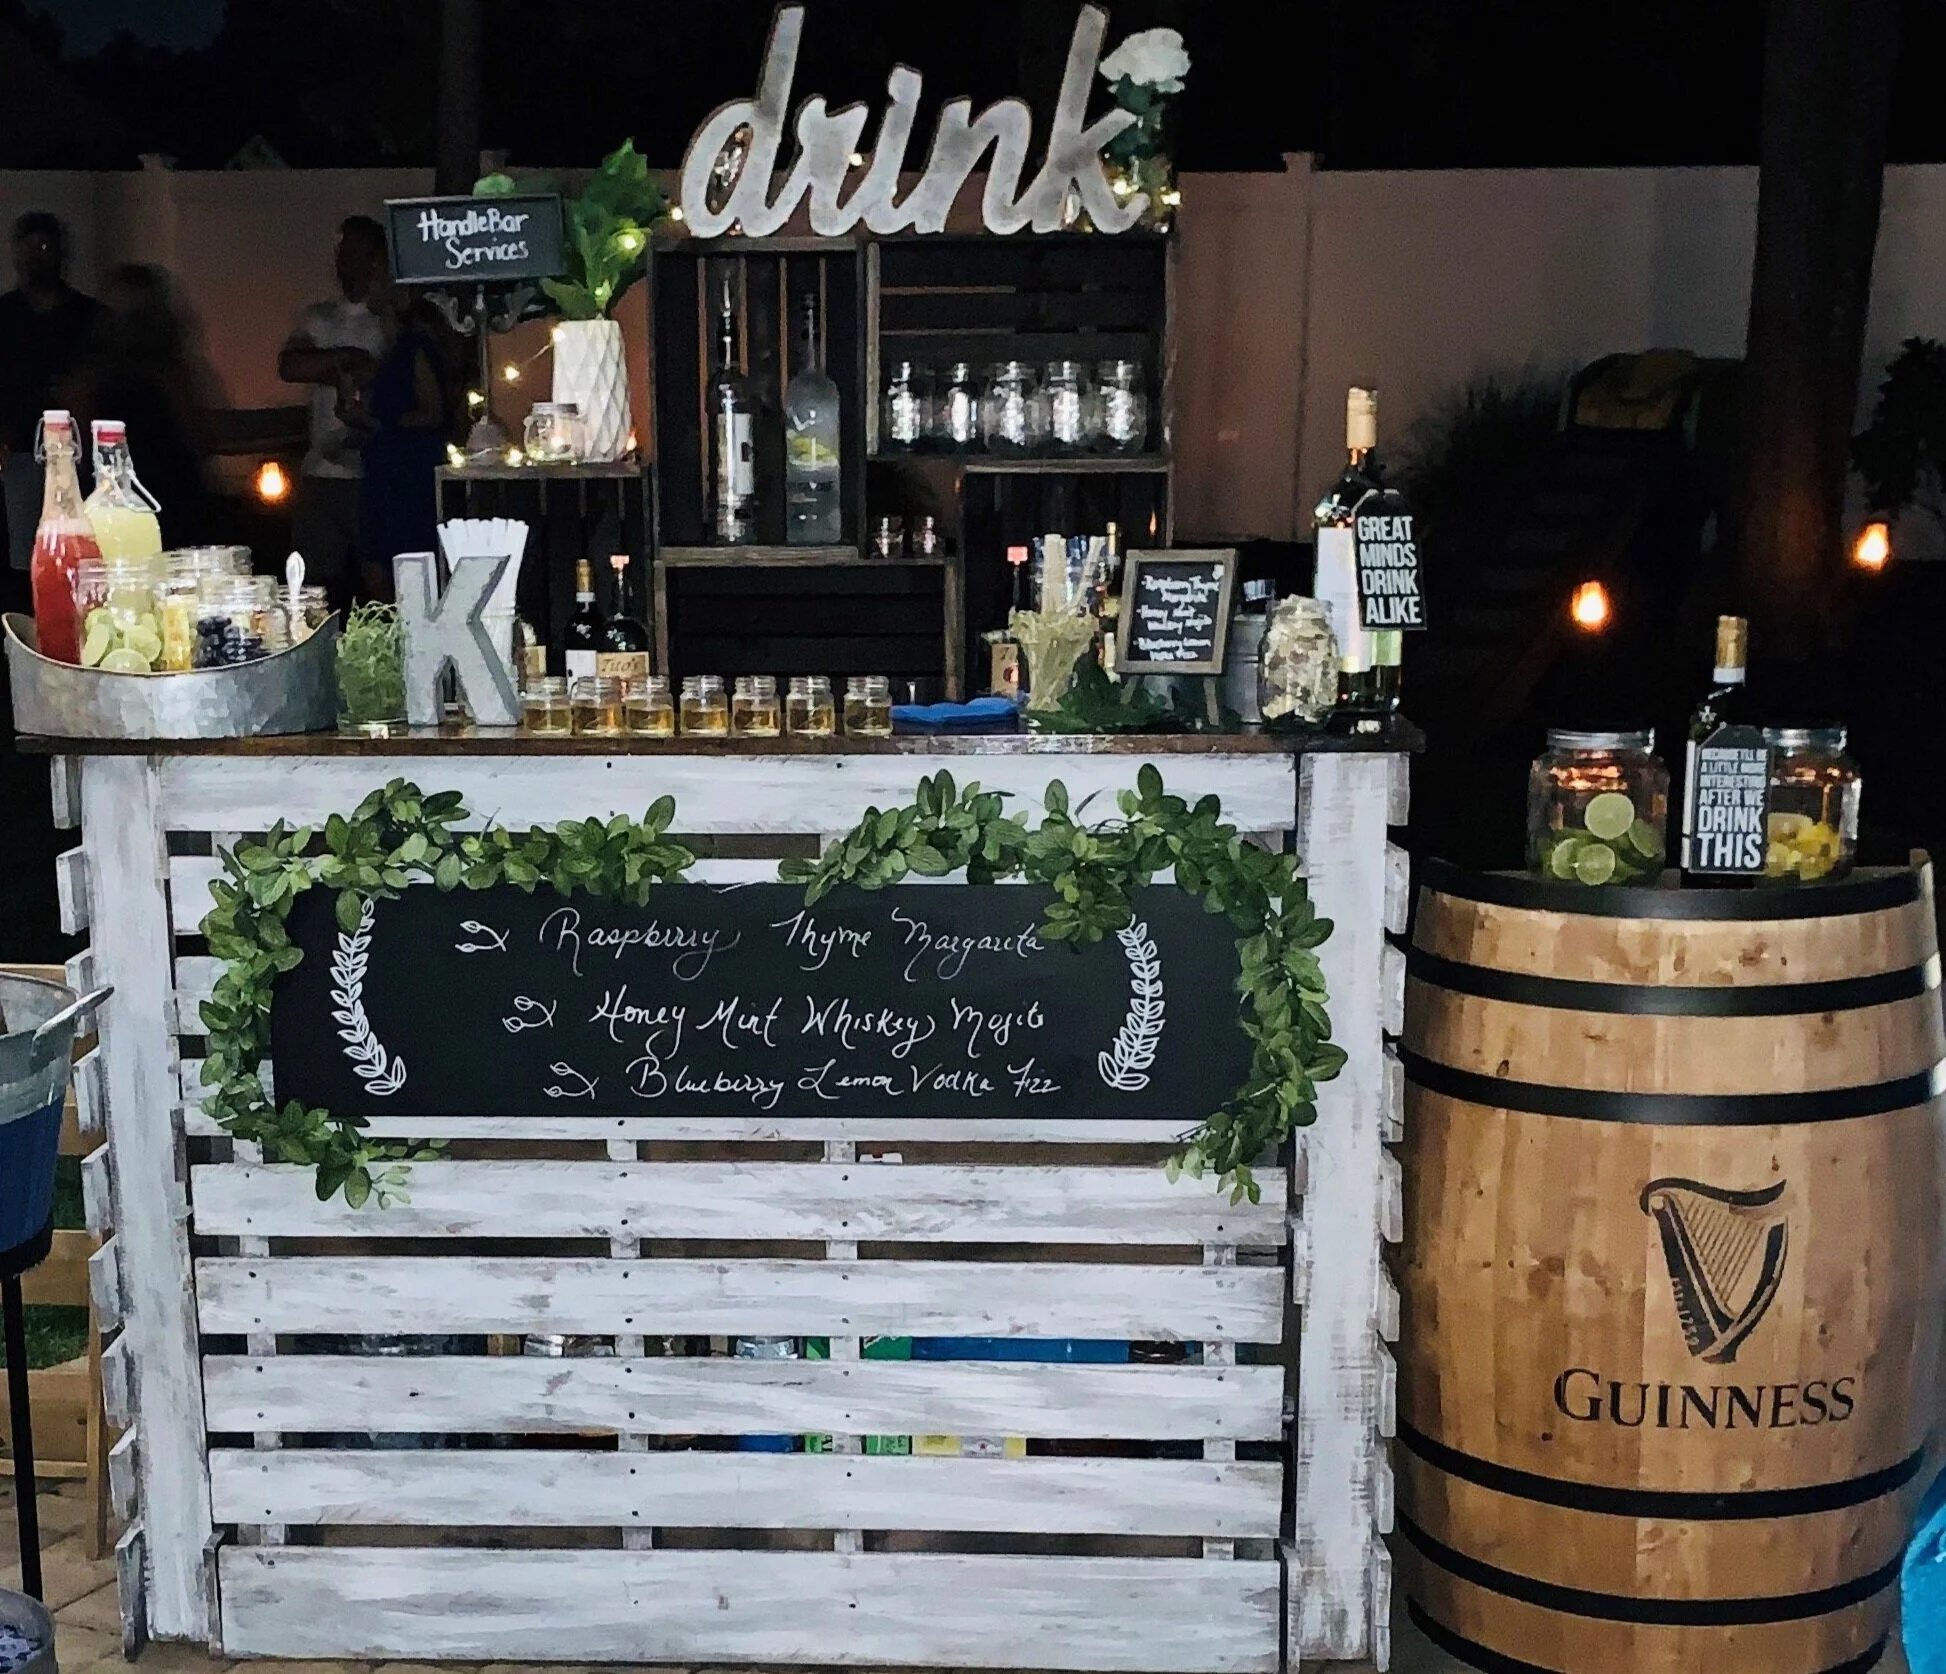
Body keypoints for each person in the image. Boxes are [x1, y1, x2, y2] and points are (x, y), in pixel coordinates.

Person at [67, 263, 219, 544]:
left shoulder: (168, 372)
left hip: (167, 495)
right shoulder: (94, 373)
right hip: (124, 496)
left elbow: (197, 435)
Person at [280, 215, 387, 611]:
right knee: (314, 590)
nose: (346, 263)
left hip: (374, 472)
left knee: (379, 586)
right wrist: (348, 361)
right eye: (342, 253)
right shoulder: (320, 317)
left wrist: (338, 366)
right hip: (322, 470)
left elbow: (385, 373)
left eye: (357, 253)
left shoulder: (387, 321)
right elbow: (291, 365)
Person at [0, 212, 99, 587]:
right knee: (27, 561)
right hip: (22, 455)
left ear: (59, 252)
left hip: (79, 457)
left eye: (43, 247)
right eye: (27, 250)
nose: (35, 258)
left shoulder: (87, 316)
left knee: (80, 555)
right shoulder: (5, 316)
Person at [354, 275, 451, 594]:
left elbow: (433, 412)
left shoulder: (414, 347)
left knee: (409, 568)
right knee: (375, 568)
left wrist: (387, 423)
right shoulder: (385, 352)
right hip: (381, 472)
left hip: (409, 476)